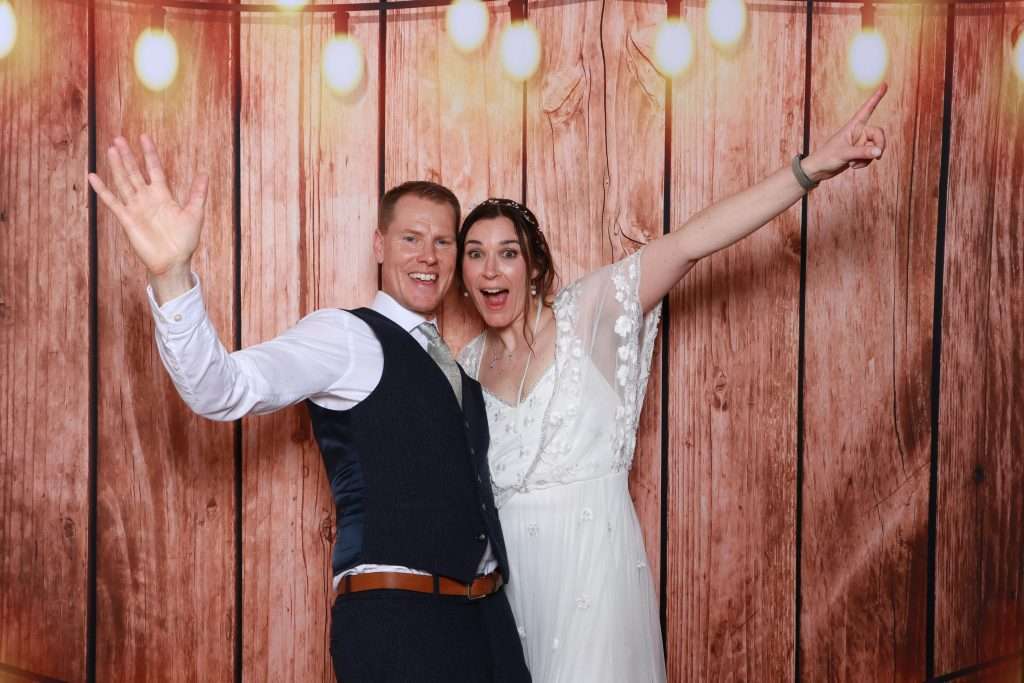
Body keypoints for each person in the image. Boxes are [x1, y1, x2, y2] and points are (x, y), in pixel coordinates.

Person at [454, 84, 889, 682]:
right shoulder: (466, 365)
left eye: (507, 252)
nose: (490, 268)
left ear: (534, 268)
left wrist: (810, 170)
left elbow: (691, 242)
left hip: (593, 580)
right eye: (474, 255)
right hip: (512, 596)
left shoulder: (589, 314)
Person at [86, 138, 531, 683]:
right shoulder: (345, 337)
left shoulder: (461, 371)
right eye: (410, 238)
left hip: (487, 621)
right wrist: (171, 276)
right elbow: (220, 388)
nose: (427, 257)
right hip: (401, 624)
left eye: (442, 242)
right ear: (379, 245)